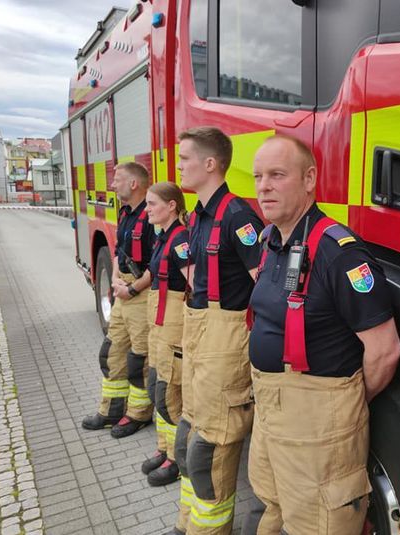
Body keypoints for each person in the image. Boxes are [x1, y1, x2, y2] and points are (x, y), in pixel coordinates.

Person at [248, 134, 400, 534]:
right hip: (270, 411)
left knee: (320, 524)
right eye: (258, 176)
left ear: (310, 179)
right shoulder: (270, 242)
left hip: (319, 423)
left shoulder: (340, 252)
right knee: (273, 508)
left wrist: (342, 404)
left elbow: (384, 351)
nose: (263, 186)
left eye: (277, 175)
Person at [168, 127, 264, 535]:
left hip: (225, 342)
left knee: (212, 446)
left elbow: (265, 282)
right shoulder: (199, 215)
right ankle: (190, 524)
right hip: (199, 334)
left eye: (185, 159)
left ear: (210, 164)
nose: (178, 166)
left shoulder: (238, 216)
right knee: (188, 435)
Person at [81, 161, 157, 439]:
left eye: (118, 180)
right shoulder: (125, 213)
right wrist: (115, 279)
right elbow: (118, 252)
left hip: (139, 294)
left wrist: (133, 288)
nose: (112, 185)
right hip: (123, 291)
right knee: (112, 352)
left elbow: (157, 265)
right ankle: (111, 410)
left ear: (134, 184)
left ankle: (138, 414)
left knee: (139, 358)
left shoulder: (151, 217)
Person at [140, 182, 190, 487]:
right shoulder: (163, 237)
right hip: (158, 327)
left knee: (169, 394)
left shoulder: (180, 239)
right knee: (155, 387)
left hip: (173, 329)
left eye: (152, 204)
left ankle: (176, 459)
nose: (147, 210)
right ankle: (164, 447)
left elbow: (195, 284)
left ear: (172, 206)